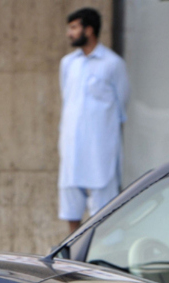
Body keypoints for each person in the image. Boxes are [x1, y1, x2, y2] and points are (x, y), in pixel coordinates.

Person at [59, 7, 129, 234]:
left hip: (101, 146)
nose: (70, 33)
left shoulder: (112, 63)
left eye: (74, 28)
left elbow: (121, 105)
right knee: (71, 202)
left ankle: (99, 259)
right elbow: (67, 98)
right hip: (72, 146)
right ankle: (74, 255)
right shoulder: (68, 63)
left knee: (103, 205)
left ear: (89, 30)